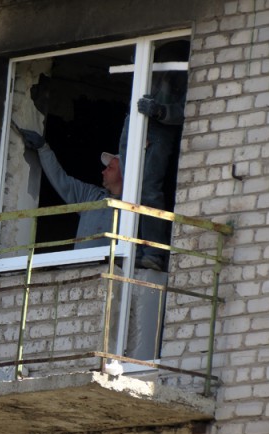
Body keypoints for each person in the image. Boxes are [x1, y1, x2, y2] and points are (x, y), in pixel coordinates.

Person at [120, 40, 189, 271]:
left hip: (159, 128)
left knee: (149, 190)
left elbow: (183, 110)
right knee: (129, 189)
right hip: (134, 123)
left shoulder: (181, 68)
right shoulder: (148, 61)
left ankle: (153, 253)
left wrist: (160, 111)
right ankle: (131, 248)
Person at [18, 128, 123, 249]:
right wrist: (43, 148)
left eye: (110, 167)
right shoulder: (91, 195)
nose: (103, 171)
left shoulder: (134, 206)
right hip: (81, 266)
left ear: (123, 172)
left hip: (110, 266)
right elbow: (62, 180)